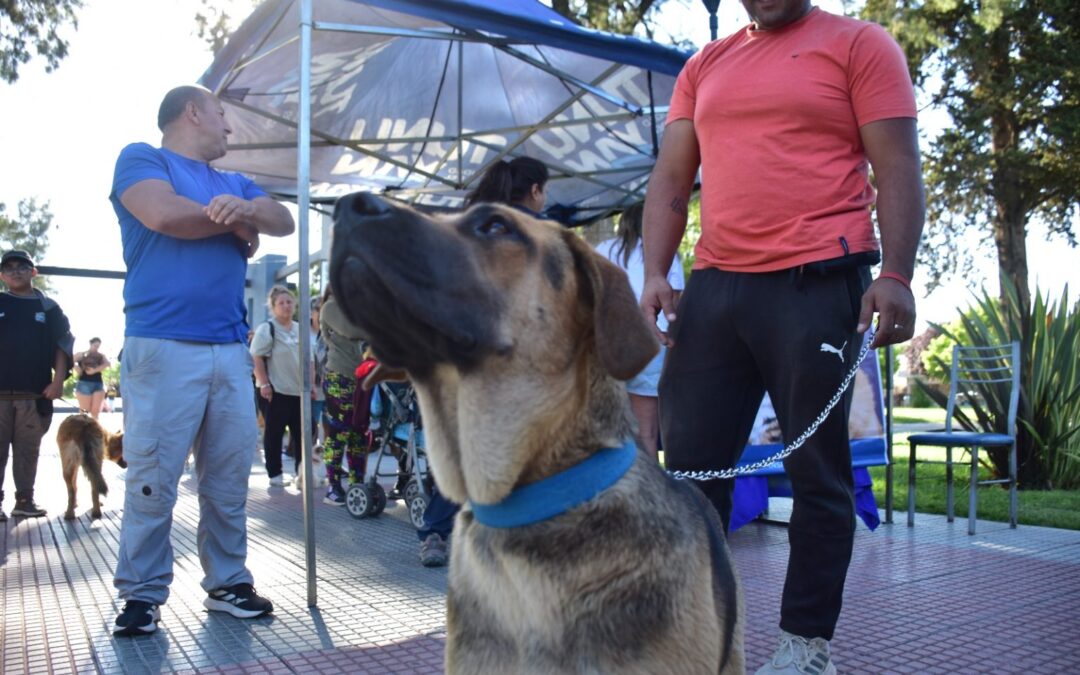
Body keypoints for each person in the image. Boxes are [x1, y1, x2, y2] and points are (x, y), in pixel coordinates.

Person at [640, 2, 924, 673]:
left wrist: (898, 274)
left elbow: (898, 166)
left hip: (819, 281)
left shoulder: (860, 44)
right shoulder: (703, 66)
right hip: (715, 288)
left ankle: (804, 646)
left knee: (817, 472)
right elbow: (673, 180)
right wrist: (655, 270)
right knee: (686, 474)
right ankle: (694, 636)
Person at [110, 85, 294, 636]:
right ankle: (142, 595)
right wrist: (237, 224)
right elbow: (165, 216)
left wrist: (249, 215)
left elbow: (279, 219)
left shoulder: (234, 182)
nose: (229, 129)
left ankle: (228, 583)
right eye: (221, 115)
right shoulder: (142, 158)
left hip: (228, 349)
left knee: (229, 477)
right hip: (162, 344)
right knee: (153, 477)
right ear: (192, 112)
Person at [594, 202, 684, 457]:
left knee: (611, 424)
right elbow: (674, 305)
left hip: (610, 345)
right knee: (647, 431)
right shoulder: (666, 254)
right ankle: (650, 488)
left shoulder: (602, 249)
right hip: (651, 343)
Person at [0, 249, 74, 520]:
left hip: (34, 395)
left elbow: (62, 344)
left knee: (27, 451)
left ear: (34, 272)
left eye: (22, 266)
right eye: (9, 267)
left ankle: (24, 501)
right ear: (2, 275)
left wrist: (57, 382)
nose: (16, 271)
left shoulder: (48, 308)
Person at [251, 285, 314, 487]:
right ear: (273, 306)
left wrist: (311, 384)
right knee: (274, 433)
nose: (286, 306)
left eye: (289, 302)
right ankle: (275, 474)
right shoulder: (267, 329)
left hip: (299, 392)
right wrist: (264, 383)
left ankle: (302, 473)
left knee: (304, 433)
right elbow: (256, 358)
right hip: (275, 391)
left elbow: (310, 361)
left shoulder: (299, 329)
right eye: (281, 303)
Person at [318, 287, 367, 505]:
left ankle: (357, 484)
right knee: (338, 433)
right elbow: (352, 330)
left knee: (360, 434)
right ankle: (333, 486)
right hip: (340, 377)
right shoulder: (330, 307)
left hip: (364, 377)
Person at [464, 156, 548, 216]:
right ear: (535, 191)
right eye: (545, 192)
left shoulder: (473, 219)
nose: (545, 199)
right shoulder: (545, 232)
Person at [74, 337, 110, 419]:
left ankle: (95, 431)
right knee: (84, 411)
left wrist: (94, 370)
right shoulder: (82, 354)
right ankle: (81, 431)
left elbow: (107, 364)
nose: (97, 348)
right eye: (95, 345)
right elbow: (69, 360)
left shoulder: (101, 356)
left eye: (98, 346)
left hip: (98, 383)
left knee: (95, 412)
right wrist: (76, 367)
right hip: (84, 383)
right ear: (90, 344)